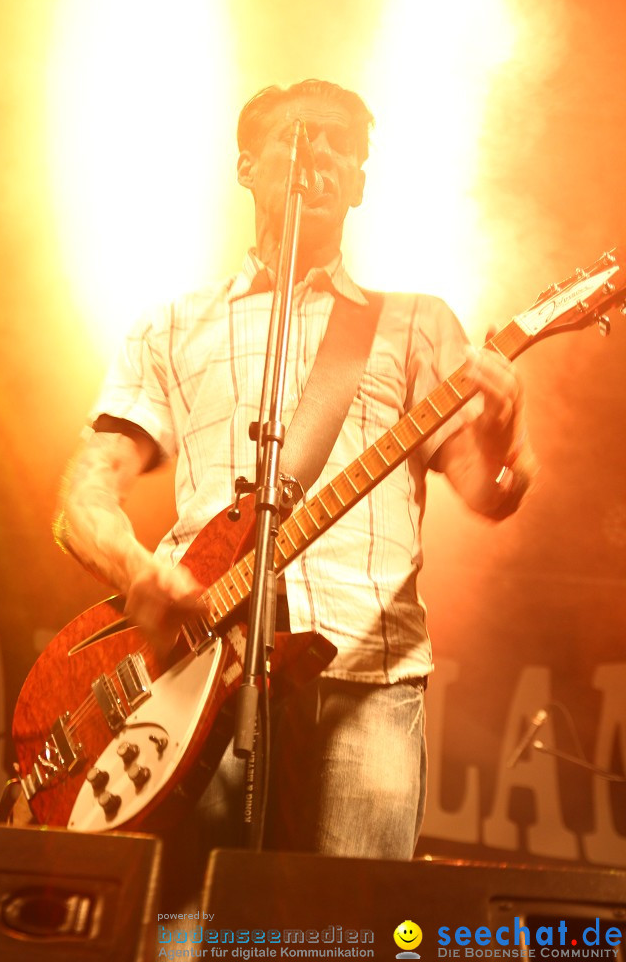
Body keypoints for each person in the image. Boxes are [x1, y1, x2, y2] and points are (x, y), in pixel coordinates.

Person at [53, 78, 537, 869]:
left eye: (340, 146)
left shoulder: (418, 323)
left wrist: (505, 426)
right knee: (183, 932)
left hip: (365, 678)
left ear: (358, 185)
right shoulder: (171, 324)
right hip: (198, 676)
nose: (317, 157)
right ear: (247, 166)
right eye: (295, 138)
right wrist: (137, 569)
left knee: (346, 934)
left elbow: (492, 494)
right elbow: (86, 491)